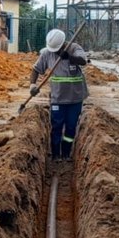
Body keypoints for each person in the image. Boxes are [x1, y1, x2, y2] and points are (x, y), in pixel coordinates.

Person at [29, 29, 88, 161]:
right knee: (56, 125)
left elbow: (83, 61)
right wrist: (32, 85)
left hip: (75, 97)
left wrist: (69, 57)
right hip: (58, 97)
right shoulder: (47, 53)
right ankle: (56, 154)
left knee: (71, 126)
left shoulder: (74, 48)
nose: (55, 52)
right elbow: (36, 69)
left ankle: (66, 152)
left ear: (62, 44)